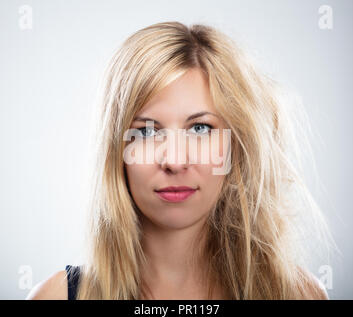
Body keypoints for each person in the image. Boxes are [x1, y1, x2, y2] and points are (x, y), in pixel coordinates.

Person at [27, 21, 335, 300]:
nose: (174, 160)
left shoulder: (299, 295)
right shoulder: (54, 297)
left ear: (236, 147)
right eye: (146, 131)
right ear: (116, 151)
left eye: (200, 129)